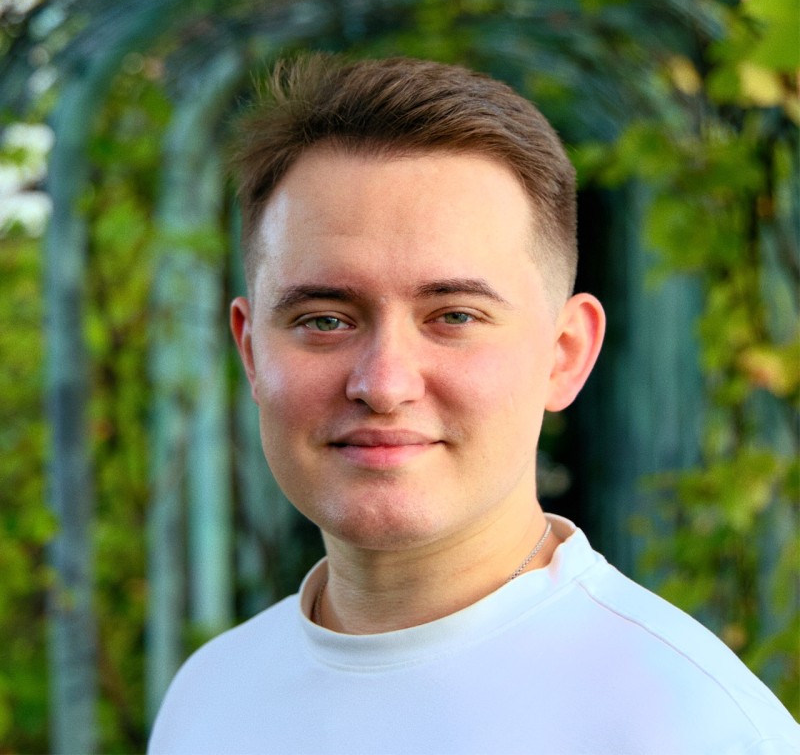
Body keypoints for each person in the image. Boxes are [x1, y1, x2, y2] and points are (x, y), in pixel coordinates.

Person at [148, 55, 799, 754]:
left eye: (453, 316)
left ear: (565, 354)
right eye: (325, 319)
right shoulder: (211, 693)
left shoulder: (691, 726)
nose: (384, 383)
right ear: (251, 352)